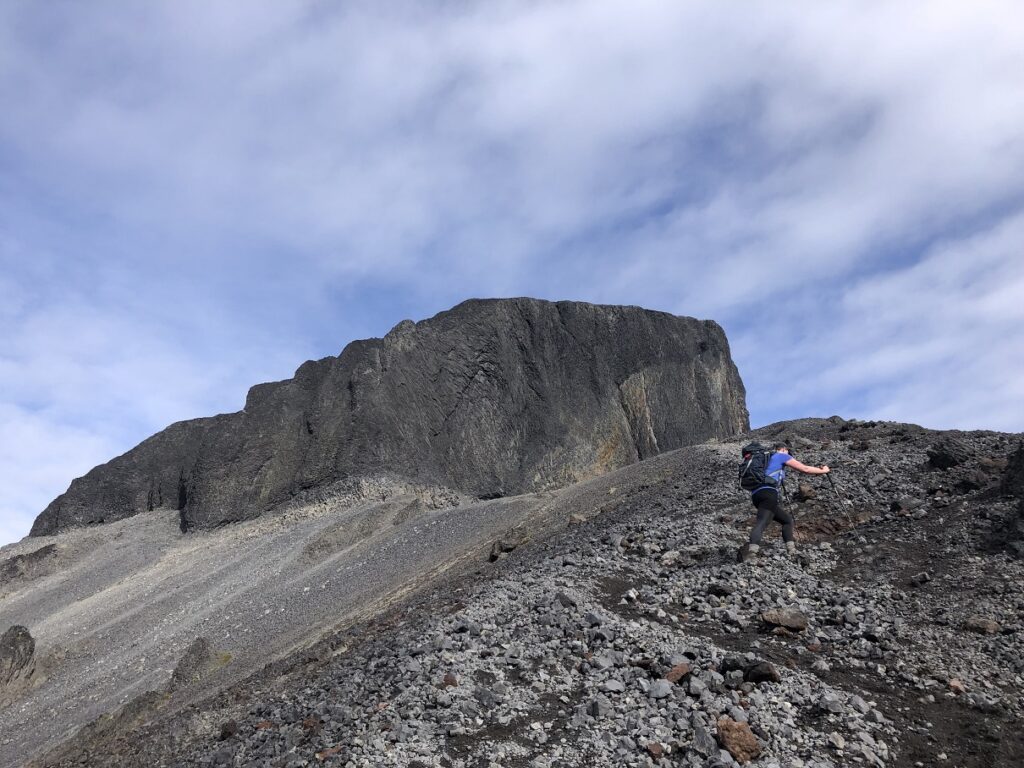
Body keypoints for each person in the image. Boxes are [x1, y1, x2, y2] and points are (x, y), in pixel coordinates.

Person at [747, 443, 829, 556]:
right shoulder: (781, 455)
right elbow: (805, 469)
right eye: (789, 453)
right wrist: (823, 471)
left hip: (756, 494)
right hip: (769, 493)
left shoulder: (766, 458)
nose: (789, 455)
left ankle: (792, 551)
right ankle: (751, 554)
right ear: (784, 449)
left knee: (787, 520)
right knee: (762, 522)